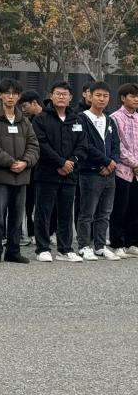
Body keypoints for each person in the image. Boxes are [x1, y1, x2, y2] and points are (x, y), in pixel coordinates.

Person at [0, 78, 39, 264]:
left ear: (19, 96)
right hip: (0, 176)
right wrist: (11, 162)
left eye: (15, 93)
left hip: (21, 175)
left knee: (17, 217)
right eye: (7, 93)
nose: (11, 97)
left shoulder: (25, 121)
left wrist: (25, 162)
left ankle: (13, 251)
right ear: (0, 95)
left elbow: (34, 145)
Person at [31, 81, 86, 263]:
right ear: (51, 95)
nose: (61, 97)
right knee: (43, 212)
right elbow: (41, 144)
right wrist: (60, 162)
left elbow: (82, 145)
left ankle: (65, 249)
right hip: (47, 173)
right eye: (58, 93)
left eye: (65, 94)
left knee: (66, 213)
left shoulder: (76, 119)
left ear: (71, 97)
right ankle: (42, 248)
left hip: (70, 174)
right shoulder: (41, 118)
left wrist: (71, 162)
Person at [77, 81, 120, 261]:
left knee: (105, 212)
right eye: (98, 95)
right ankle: (83, 245)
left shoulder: (109, 120)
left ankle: (100, 246)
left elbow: (116, 145)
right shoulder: (81, 118)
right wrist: (106, 161)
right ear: (90, 96)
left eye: (105, 96)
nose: (102, 99)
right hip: (90, 172)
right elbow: (85, 145)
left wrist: (112, 162)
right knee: (87, 212)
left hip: (109, 174)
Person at [110, 82, 138, 259]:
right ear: (123, 98)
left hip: (137, 172)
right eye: (132, 96)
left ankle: (132, 242)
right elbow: (117, 145)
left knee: (135, 209)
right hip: (122, 171)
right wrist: (134, 163)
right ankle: (117, 244)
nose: (136, 99)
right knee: (120, 208)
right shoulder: (114, 117)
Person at [19, 90, 44, 245]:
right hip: (31, 167)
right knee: (29, 202)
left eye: (25, 106)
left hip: (44, 167)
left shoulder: (45, 118)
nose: (23, 109)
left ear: (34, 103)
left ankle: (45, 232)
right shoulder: (28, 120)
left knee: (41, 203)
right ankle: (31, 232)